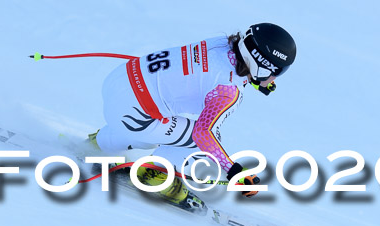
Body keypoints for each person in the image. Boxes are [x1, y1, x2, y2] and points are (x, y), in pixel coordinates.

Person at [89, 23, 297, 206]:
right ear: (262, 65)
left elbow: (213, 69)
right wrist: (234, 171)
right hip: (132, 114)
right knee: (201, 141)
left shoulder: (221, 43)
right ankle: (155, 173)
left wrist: (255, 78)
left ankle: (101, 142)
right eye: (277, 72)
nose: (275, 78)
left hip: (119, 80)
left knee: (162, 126)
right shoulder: (228, 91)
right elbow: (203, 133)